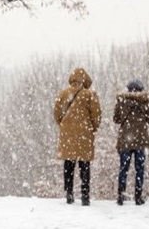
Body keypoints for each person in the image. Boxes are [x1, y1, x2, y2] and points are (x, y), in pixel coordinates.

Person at [53, 67, 101, 206]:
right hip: (84, 134)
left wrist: (64, 125)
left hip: (67, 134)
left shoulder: (63, 94)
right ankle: (85, 195)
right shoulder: (89, 95)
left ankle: (69, 193)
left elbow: (56, 113)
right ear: (85, 79)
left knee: (69, 164)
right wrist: (93, 128)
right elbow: (96, 115)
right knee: (84, 165)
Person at [113, 79, 149, 206]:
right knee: (139, 169)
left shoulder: (121, 101)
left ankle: (120, 195)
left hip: (125, 139)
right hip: (140, 140)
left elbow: (116, 119)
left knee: (123, 168)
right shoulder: (145, 101)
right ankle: (138, 196)